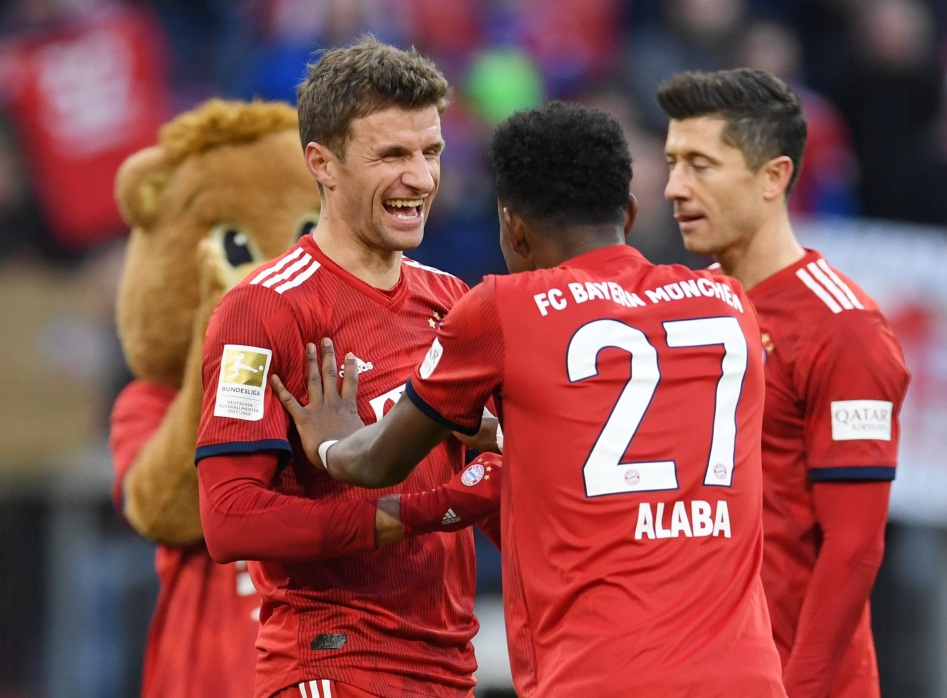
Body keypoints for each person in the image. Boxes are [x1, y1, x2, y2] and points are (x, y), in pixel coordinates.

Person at [271, 101, 786, 698]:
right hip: (747, 676)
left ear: (512, 226)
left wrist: (333, 441)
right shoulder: (728, 302)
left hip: (599, 677)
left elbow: (376, 463)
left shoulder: (502, 309)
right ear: (629, 212)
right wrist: (503, 431)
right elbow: (633, 428)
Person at [194, 38, 501, 698]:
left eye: (432, 152)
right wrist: (422, 509)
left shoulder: (455, 302)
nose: (420, 178)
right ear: (322, 164)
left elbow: (507, 483)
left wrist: (496, 458)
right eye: (392, 154)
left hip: (448, 667)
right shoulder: (261, 313)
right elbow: (230, 519)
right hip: (334, 660)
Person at [658, 68, 910, 698]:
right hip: (696, 667)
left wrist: (799, 688)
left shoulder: (844, 328)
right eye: (671, 162)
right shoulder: (684, 309)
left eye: (700, 165)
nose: (673, 187)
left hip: (796, 677)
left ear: (773, 177)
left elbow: (855, 547)